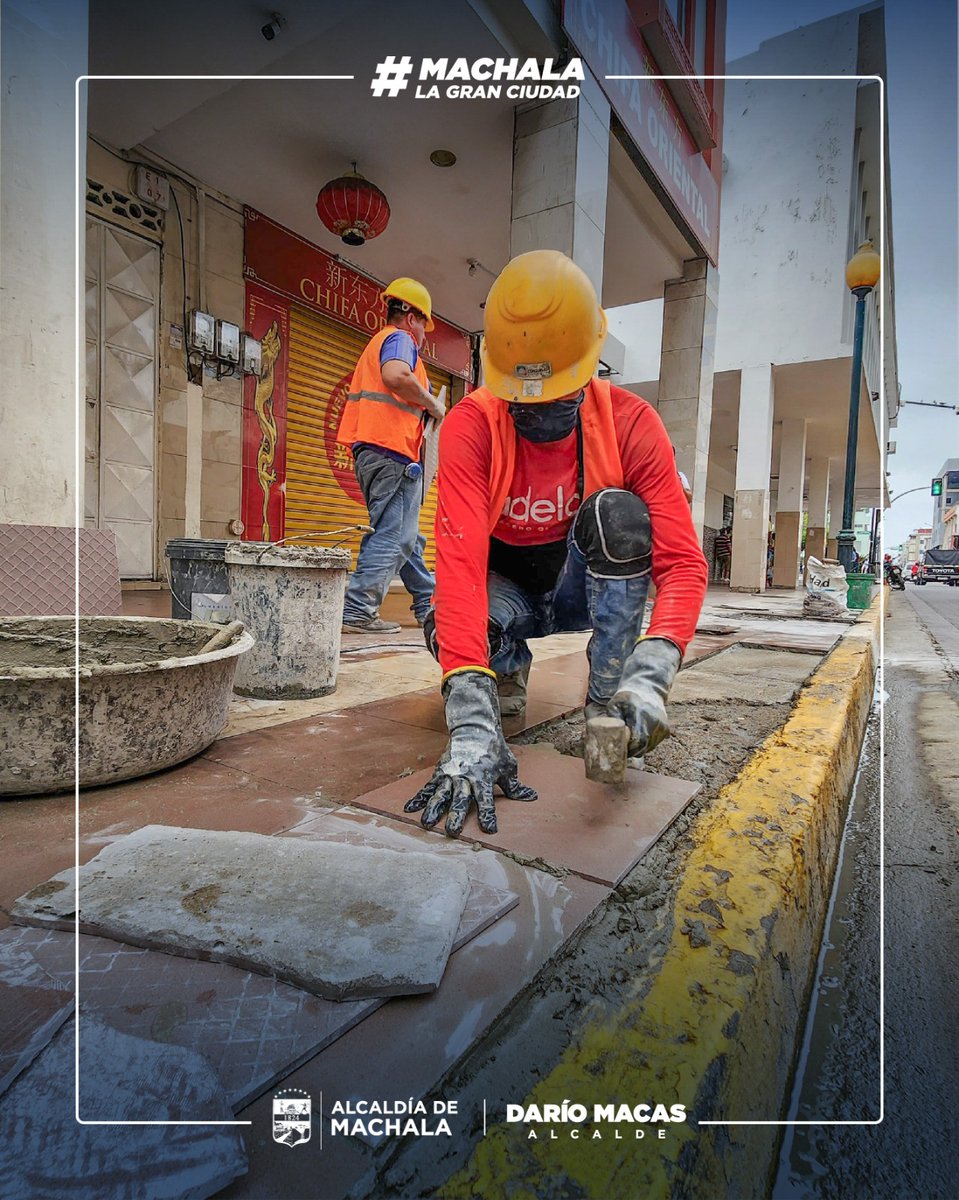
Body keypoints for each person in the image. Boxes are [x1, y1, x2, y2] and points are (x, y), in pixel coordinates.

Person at [404, 250, 708, 838]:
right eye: (526, 400)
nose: (540, 411)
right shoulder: (471, 424)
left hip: (578, 586)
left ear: (591, 364)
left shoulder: (632, 423)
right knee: (443, 616)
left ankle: (606, 707)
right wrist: (469, 724)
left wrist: (651, 674)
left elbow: (683, 565)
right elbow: (461, 568)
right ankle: (503, 673)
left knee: (619, 514)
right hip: (506, 586)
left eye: (556, 396)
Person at [339, 278, 446, 633]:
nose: (424, 334)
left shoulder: (381, 342)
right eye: (424, 325)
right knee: (394, 535)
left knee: (406, 536)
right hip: (391, 451)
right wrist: (434, 404)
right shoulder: (399, 339)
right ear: (411, 316)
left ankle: (428, 605)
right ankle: (357, 609)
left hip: (377, 450)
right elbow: (396, 376)